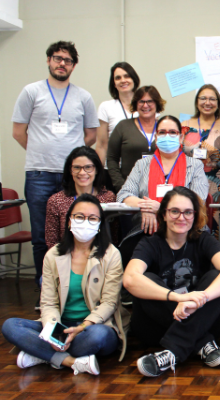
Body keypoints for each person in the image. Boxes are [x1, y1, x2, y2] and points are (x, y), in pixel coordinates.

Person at [2, 194, 129, 375]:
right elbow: (48, 302)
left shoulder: (111, 254)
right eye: (79, 217)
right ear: (69, 222)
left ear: (100, 225)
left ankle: (41, 354)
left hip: (92, 326)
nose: (86, 222)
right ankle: (70, 361)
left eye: (92, 218)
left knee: (99, 337)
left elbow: (109, 303)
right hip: (60, 324)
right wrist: (52, 329)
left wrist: (83, 326)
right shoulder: (53, 255)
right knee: (10, 325)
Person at [11, 41, 99, 302]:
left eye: (68, 60)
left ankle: (72, 289)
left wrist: (71, 159)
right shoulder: (31, 92)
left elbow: (91, 134)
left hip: (71, 176)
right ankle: (46, 291)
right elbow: (18, 132)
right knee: (41, 236)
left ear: (74, 65)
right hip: (38, 174)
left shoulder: (83, 96)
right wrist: (41, 151)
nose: (62, 63)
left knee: (72, 232)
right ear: (49, 60)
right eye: (58, 58)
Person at [123, 187, 220, 377]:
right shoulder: (149, 243)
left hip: (205, 319)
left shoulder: (204, 239)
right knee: (147, 280)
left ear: (195, 215)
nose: (181, 217)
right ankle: (202, 343)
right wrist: (177, 298)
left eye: (188, 212)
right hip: (155, 327)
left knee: (216, 276)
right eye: (174, 211)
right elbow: (130, 279)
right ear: (164, 215)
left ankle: (171, 353)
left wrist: (197, 300)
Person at [117, 115, 208, 235]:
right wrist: (148, 207)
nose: (167, 136)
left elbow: (198, 201)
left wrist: (160, 209)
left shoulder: (195, 165)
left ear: (180, 137)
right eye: (162, 132)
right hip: (147, 230)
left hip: (186, 230)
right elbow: (123, 195)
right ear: (156, 137)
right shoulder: (142, 164)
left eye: (172, 132)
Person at [45, 146, 116, 250]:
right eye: (77, 167)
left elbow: (114, 235)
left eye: (88, 167)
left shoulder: (108, 197)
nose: (82, 172)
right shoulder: (56, 201)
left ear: (96, 170)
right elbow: (51, 241)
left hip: (102, 257)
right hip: (66, 256)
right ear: (70, 170)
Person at [107, 85, 164, 193]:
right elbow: (111, 159)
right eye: (141, 101)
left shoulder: (165, 128)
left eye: (149, 101)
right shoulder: (123, 126)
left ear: (157, 103)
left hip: (159, 189)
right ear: (135, 104)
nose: (145, 105)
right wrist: (121, 185)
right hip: (129, 189)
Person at [182, 84, 220, 199]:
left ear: (218, 103)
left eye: (212, 99)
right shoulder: (184, 126)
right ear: (196, 102)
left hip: (217, 188)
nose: (207, 103)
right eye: (203, 98)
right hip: (188, 185)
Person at [95, 62, 141, 163]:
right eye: (118, 78)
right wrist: (99, 174)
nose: (123, 80)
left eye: (127, 76)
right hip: (113, 169)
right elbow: (102, 145)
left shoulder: (147, 106)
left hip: (141, 169)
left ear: (134, 79)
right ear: (114, 84)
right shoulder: (106, 107)